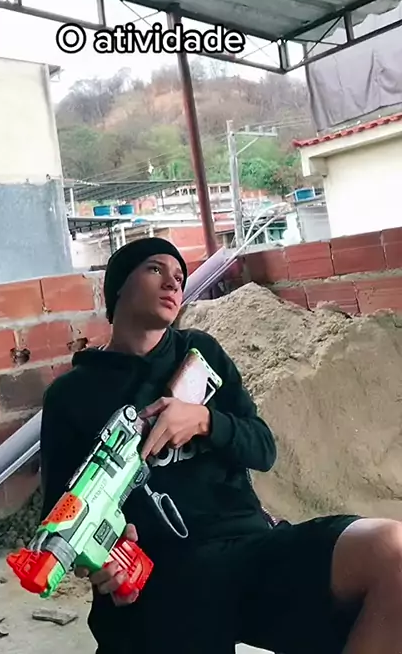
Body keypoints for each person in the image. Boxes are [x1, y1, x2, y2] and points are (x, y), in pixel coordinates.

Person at [40, 237, 402, 654]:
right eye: (155, 269)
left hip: (248, 550)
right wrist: (103, 554)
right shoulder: (70, 395)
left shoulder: (200, 354)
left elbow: (262, 449)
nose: (172, 284)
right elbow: (59, 511)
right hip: (157, 578)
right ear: (118, 286)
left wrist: (206, 421)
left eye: (179, 277)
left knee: (391, 552)